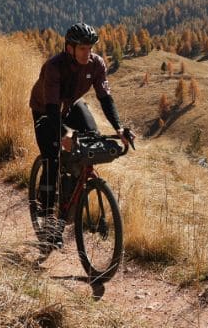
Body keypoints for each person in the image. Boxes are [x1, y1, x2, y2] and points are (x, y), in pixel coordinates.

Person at [29, 22, 134, 248]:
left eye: (91, 48)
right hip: (45, 109)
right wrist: (64, 134)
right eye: (83, 49)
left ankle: (73, 188)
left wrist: (119, 128)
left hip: (71, 105)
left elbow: (105, 98)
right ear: (70, 48)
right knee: (52, 159)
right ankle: (48, 219)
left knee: (92, 138)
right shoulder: (54, 67)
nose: (88, 53)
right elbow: (51, 110)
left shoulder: (96, 64)